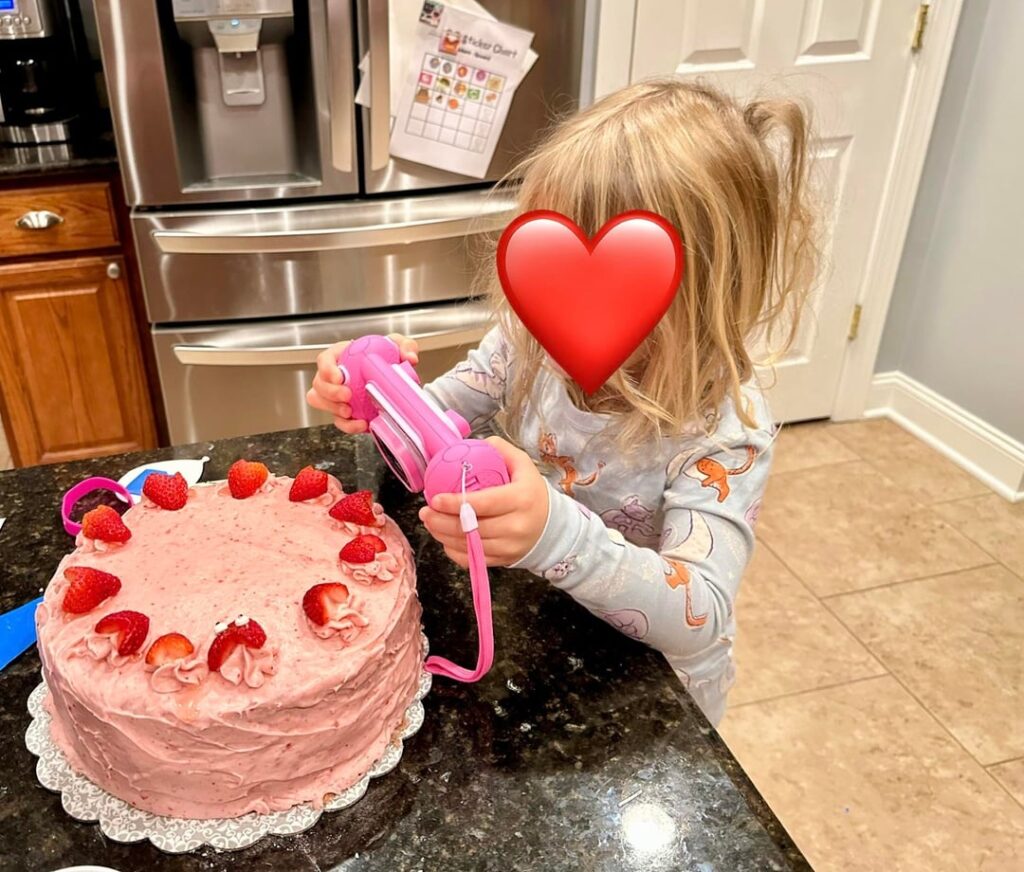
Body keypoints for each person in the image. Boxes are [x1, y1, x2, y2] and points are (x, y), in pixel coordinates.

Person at [307, 78, 817, 725]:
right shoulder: (528, 341)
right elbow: (441, 419)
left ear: (695, 290)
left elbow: (700, 613)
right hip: (546, 638)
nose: (552, 304)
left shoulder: (724, 430)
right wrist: (383, 396)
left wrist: (553, 534)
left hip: (648, 701)